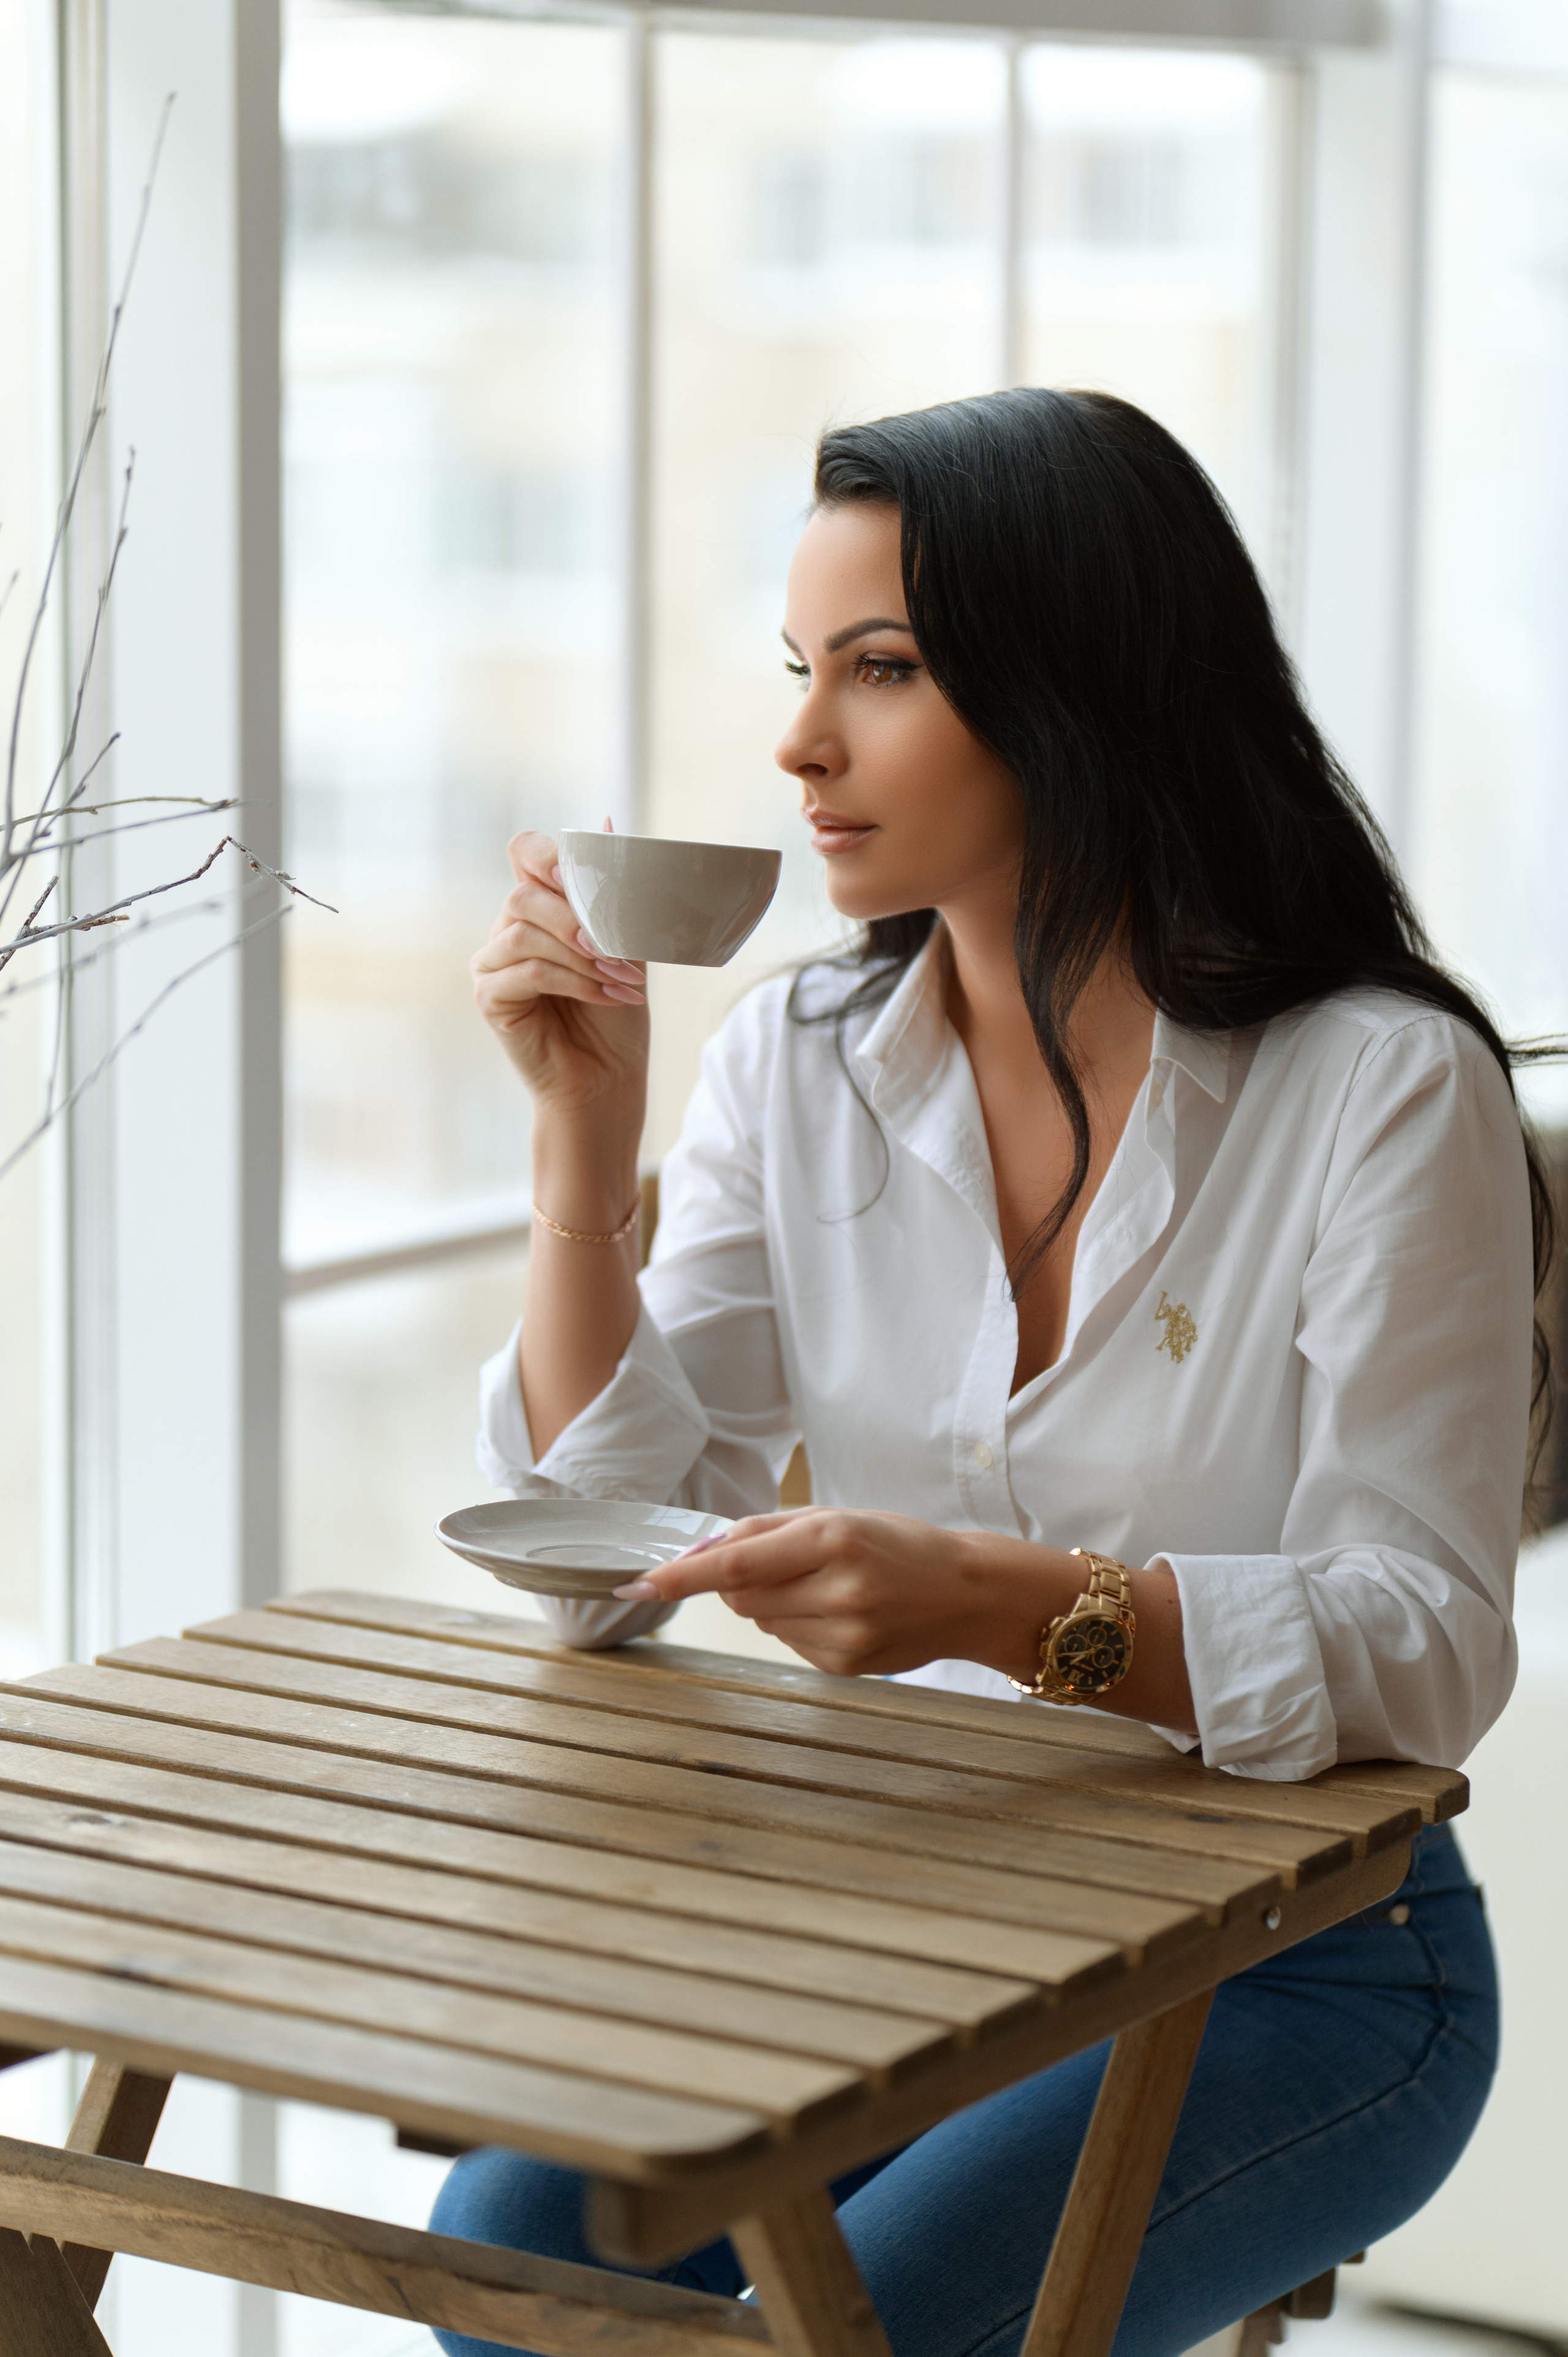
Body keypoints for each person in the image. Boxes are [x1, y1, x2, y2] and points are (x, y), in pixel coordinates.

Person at [432, 388, 1550, 2357]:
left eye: (882, 670)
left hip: (1298, 1960)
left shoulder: (1378, 1082)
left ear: (1083, 689)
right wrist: (581, 1149)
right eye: (801, 668)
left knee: (856, 2333)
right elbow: (604, 1565)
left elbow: (1427, 1643)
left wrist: (1004, 1609)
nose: (801, 741)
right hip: (909, 1905)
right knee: (510, 2260)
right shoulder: (797, 1062)